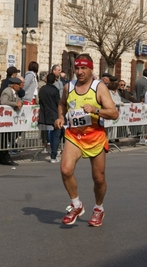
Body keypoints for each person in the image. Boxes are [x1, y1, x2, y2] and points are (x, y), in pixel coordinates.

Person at [54, 54, 118, 227]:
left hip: (95, 136)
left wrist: (96, 110)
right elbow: (62, 104)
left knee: (98, 178)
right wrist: (60, 117)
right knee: (65, 170)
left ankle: (98, 208)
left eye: (84, 68)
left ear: (91, 69)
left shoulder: (99, 87)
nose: (80, 72)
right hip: (74, 135)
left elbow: (114, 113)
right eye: (77, 68)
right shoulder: (69, 86)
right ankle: (76, 205)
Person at [0, 77, 23, 166]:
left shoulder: (15, 93)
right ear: (13, 85)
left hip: (8, 119)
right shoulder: (7, 91)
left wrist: (20, 103)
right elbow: (4, 102)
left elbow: (19, 100)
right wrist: (15, 104)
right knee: (1, 139)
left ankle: (1, 157)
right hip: (2, 118)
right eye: (18, 85)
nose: (20, 86)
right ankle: (3, 157)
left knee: (3, 138)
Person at [38, 73, 62, 163]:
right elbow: (58, 102)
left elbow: (40, 100)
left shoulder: (42, 89)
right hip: (54, 114)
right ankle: (53, 155)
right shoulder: (55, 90)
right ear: (54, 81)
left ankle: (53, 150)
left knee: (54, 133)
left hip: (44, 114)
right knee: (56, 134)